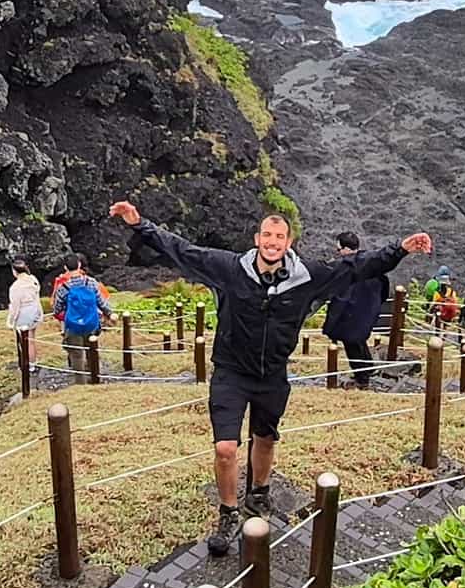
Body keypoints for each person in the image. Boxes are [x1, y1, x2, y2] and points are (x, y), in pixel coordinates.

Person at [110, 200, 432, 555]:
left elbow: (358, 266)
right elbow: (183, 250)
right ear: (257, 238)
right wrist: (139, 223)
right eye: (267, 234)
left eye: (279, 236)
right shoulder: (231, 268)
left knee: (265, 438)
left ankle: (259, 491)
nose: (272, 241)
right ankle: (229, 512)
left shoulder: (308, 276)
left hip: (273, 374)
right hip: (231, 371)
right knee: (225, 448)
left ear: (288, 242)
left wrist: (400, 248)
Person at [321, 231, 388, 389]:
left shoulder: (346, 269)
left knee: (352, 345)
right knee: (359, 341)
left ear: (345, 249)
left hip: (350, 314)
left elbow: (340, 295)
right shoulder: (372, 265)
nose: (338, 253)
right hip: (368, 311)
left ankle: (362, 379)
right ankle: (368, 368)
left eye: (339, 250)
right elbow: (384, 288)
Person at [50, 255, 111, 374]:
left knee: (76, 355)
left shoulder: (64, 287)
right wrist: (109, 313)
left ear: (65, 268)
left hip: (73, 325)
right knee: (92, 351)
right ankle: (94, 377)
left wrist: (64, 315)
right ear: (79, 265)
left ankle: (80, 382)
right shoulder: (91, 282)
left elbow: (57, 309)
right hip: (91, 323)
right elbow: (101, 302)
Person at [7, 257, 43, 367]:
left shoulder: (15, 287)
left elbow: (15, 306)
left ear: (14, 271)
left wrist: (10, 320)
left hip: (24, 312)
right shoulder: (33, 279)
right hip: (35, 309)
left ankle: (26, 365)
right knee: (31, 339)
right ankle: (33, 363)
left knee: (24, 340)